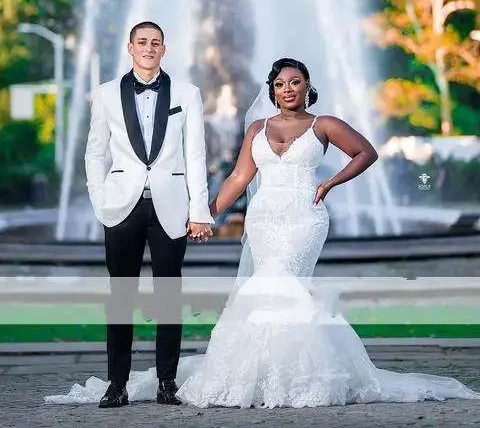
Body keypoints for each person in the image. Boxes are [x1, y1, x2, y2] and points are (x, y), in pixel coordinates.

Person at [46, 57, 480, 408]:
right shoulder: (257, 129)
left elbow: (365, 152)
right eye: (279, 84)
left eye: (294, 82)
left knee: (283, 285)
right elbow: (237, 179)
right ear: (271, 90)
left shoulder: (323, 124)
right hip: (264, 218)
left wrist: (329, 183)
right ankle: (260, 374)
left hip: (305, 219)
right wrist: (202, 212)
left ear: (307, 86)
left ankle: (299, 377)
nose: (286, 89)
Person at [81, 21, 213, 408]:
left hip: (171, 206)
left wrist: (199, 210)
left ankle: (166, 383)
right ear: (130, 47)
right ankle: (116, 384)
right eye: (142, 42)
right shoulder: (106, 95)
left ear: (164, 49)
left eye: (155, 42)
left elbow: (196, 157)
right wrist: (99, 199)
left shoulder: (187, 94)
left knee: (169, 296)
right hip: (121, 206)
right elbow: (94, 153)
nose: (149, 48)